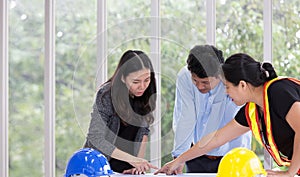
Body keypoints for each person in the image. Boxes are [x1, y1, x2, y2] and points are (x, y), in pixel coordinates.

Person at [155, 53, 300, 176]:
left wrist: (289, 172)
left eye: (227, 87)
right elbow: (216, 138)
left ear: (242, 85)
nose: (225, 92)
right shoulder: (252, 111)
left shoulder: (278, 91)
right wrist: (179, 160)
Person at [171, 45, 251, 173]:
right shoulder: (185, 77)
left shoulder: (232, 82)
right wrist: (179, 156)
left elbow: (242, 120)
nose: (199, 86)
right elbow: (186, 117)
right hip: (196, 154)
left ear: (219, 75)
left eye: (205, 82)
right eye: (195, 80)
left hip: (232, 155)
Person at [84, 50, 158, 175]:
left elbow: (144, 132)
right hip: (99, 168)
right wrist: (133, 160)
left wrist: (137, 166)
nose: (142, 86)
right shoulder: (106, 95)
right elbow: (95, 138)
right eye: (136, 82)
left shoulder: (146, 94)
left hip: (127, 169)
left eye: (147, 80)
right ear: (123, 78)